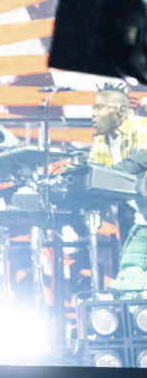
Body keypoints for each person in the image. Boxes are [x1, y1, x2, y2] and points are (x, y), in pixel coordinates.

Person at [88, 82, 147, 295]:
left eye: (99, 108)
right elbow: (94, 179)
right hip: (137, 221)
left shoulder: (141, 126)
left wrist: (109, 173)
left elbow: (141, 159)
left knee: (132, 282)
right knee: (129, 282)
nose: (93, 114)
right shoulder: (100, 144)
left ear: (120, 111)